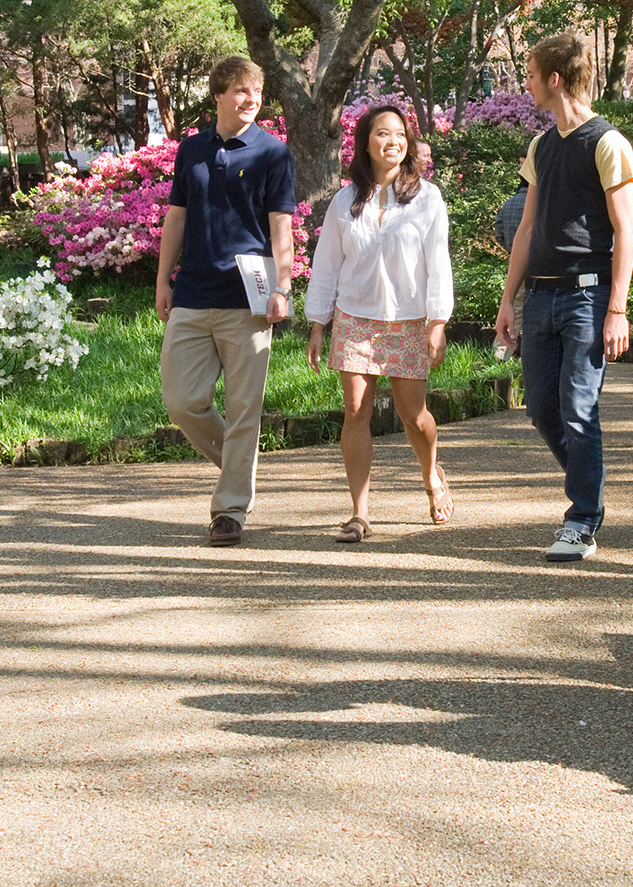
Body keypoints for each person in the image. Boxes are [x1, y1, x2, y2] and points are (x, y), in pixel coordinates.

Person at [494, 34, 633, 563]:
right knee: (542, 411)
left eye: (530, 74)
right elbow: (527, 228)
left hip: (588, 297)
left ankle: (581, 519)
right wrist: (508, 301)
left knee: (578, 409)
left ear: (554, 78)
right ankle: (589, 482)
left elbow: (626, 231)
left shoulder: (607, 142)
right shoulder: (541, 146)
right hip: (540, 298)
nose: (525, 83)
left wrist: (617, 308)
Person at [156, 56, 297, 546]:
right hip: (193, 293)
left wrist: (283, 287)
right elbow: (175, 219)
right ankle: (240, 467)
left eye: (255, 90)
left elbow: (282, 228)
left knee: (244, 410)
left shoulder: (273, 153)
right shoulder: (190, 150)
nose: (250, 98)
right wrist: (162, 281)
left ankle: (230, 508)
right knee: (182, 401)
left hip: (249, 300)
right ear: (217, 94)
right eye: (240, 90)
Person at [304, 107, 456, 541]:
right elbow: (326, 266)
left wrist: (437, 322)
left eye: (400, 134)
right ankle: (360, 514)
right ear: (366, 143)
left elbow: (438, 265)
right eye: (382, 133)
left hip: (407, 321)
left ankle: (431, 477)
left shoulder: (428, 198)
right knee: (355, 411)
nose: (393, 140)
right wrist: (318, 323)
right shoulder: (343, 201)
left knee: (414, 416)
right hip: (354, 319)